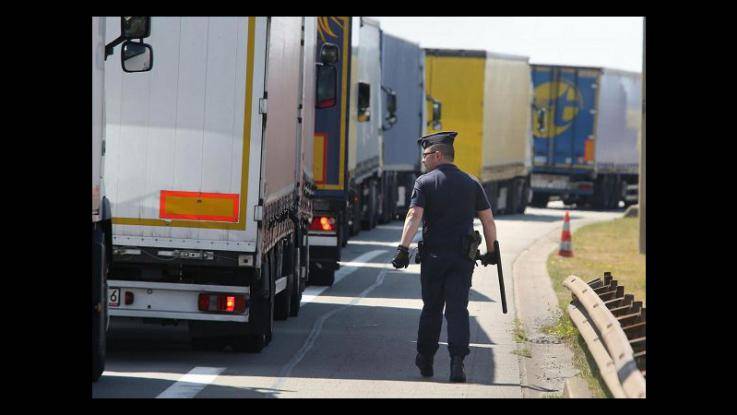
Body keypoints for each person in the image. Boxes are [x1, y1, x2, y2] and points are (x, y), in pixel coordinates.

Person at [391, 131, 498, 383]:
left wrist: (403, 248)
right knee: (458, 310)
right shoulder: (472, 183)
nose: (424, 160)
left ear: (438, 155)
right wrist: (492, 252)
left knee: (432, 309)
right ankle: (457, 363)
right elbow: (488, 220)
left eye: (426, 155)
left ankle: (426, 360)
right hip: (463, 259)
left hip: (434, 258)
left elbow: (413, 216)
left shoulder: (424, 183)